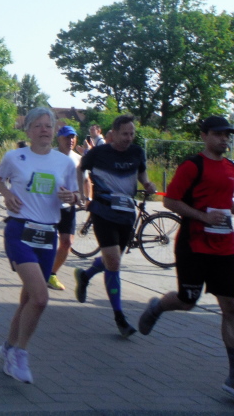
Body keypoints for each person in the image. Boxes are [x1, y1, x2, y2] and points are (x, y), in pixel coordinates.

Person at [138, 116, 234, 406]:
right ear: (204, 135)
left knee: (232, 307)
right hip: (193, 246)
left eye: (227, 135)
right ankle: (158, 306)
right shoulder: (192, 166)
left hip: (225, 248)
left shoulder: (231, 168)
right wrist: (203, 217)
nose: (224, 139)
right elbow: (170, 201)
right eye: (218, 134)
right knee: (187, 301)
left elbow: (225, 200)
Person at [0, 107, 78, 383]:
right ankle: (19, 354)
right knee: (40, 298)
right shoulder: (15, 157)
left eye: (48, 126)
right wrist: (7, 194)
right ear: (28, 130)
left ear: (54, 131)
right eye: (38, 126)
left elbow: (75, 195)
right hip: (20, 230)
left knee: (28, 299)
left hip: (48, 234)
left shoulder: (65, 163)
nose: (44, 130)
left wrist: (71, 198)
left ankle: (8, 347)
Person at [74, 114, 157, 337]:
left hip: (126, 214)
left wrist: (147, 183)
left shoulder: (137, 152)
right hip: (103, 211)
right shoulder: (99, 153)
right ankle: (119, 317)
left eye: (132, 134)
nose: (129, 138)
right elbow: (80, 169)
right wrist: (82, 195)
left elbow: (142, 172)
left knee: (113, 260)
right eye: (125, 134)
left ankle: (85, 276)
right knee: (114, 263)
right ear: (114, 133)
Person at [47, 125, 82, 291]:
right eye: (67, 137)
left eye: (73, 137)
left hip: (68, 205)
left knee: (67, 242)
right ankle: (38, 270)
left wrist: (82, 198)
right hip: (48, 205)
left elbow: (85, 181)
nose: (71, 140)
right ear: (59, 139)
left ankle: (51, 274)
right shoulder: (49, 156)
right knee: (46, 241)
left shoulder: (78, 159)